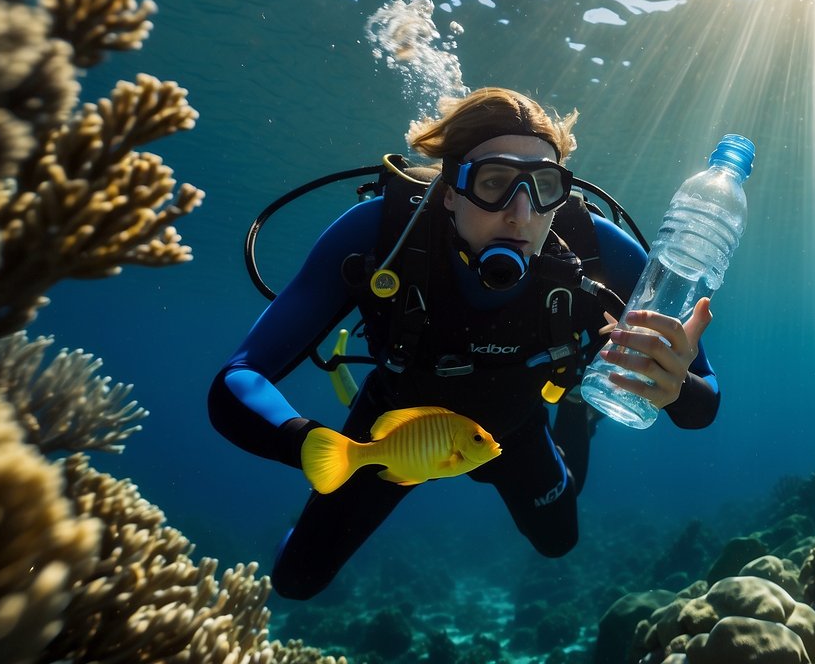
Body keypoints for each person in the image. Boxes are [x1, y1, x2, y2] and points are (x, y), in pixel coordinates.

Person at [208, 87, 720, 599]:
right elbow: (237, 379)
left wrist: (676, 386)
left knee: (558, 542)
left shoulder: (597, 247)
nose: (521, 214)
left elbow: (705, 399)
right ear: (449, 189)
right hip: (393, 426)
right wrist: (309, 445)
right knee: (296, 580)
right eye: (494, 182)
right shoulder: (381, 232)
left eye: (544, 185)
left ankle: (577, 411)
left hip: (514, 426)